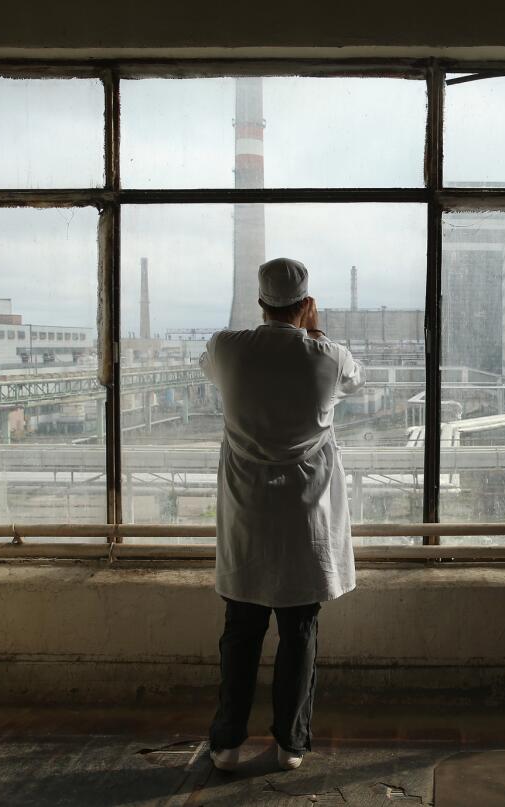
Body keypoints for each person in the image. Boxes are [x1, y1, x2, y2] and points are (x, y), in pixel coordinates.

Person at [199, 257, 364, 773]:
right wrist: (313, 333)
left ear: (261, 303)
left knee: (241, 632)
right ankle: (291, 744)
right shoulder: (328, 357)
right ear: (305, 304)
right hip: (304, 522)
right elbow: (356, 382)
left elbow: (209, 368)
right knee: (299, 634)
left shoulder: (228, 348)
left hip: (247, 518)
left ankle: (226, 743)